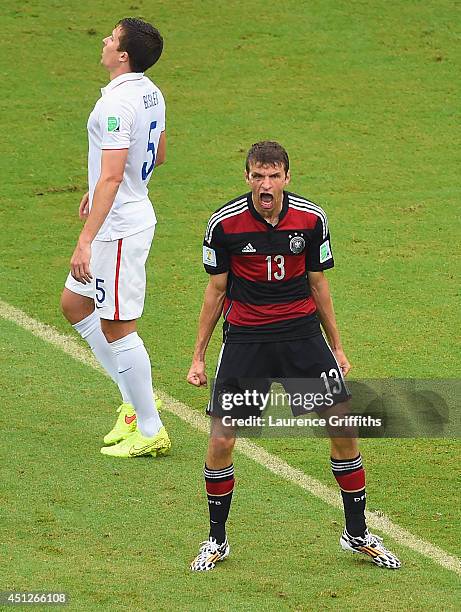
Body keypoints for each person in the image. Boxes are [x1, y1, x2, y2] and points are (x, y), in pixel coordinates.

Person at [187, 141, 400, 570]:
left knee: (342, 427)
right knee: (223, 437)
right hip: (246, 338)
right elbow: (216, 291)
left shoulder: (312, 218)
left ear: (287, 176)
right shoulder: (223, 225)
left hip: (302, 336)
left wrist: (336, 345)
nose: (266, 185)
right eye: (257, 176)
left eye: (273, 176)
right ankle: (216, 540)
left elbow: (318, 283)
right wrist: (199, 356)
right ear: (246, 177)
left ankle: (356, 534)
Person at [60, 18, 170, 458]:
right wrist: (105, 184)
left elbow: (112, 173)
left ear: (122, 55)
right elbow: (158, 154)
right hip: (123, 212)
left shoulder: (116, 105)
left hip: (118, 230)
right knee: (74, 305)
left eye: (111, 37)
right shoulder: (151, 92)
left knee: (118, 327)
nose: (104, 41)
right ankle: (132, 402)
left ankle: (150, 427)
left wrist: (86, 238)